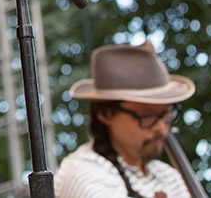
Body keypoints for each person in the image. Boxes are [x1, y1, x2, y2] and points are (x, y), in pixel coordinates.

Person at [54, 41, 196, 198]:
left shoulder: (167, 176)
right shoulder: (82, 171)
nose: (161, 128)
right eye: (147, 116)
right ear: (106, 114)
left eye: (165, 114)